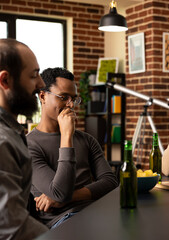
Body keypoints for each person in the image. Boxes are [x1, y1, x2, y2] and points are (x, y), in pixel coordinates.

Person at [26, 67, 118, 229]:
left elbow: (110, 182)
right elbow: (60, 192)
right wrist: (67, 136)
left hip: (97, 212)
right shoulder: (28, 145)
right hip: (63, 220)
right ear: (43, 96)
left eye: (74, 99)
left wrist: (69, 198)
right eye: (63, 97)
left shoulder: (87, 140)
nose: (70, 105)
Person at [0, 38, 48, 239]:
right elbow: (12, 225)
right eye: (33, 75)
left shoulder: (13, 132)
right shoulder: (3, 141)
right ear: (5, 81)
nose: (41, 84)